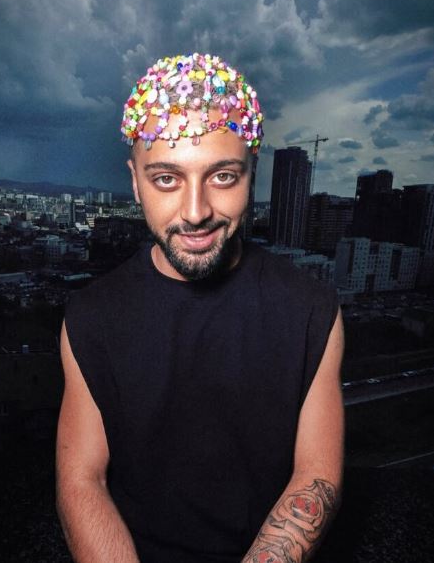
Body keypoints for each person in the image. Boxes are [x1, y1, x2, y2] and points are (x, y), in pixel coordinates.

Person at [56, 53, 345, 563]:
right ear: (135, 181)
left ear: (252, 175)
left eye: (223, 176)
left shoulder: (311, 311)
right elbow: (82, 479)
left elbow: (316, 477)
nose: (195, 213)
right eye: (167, 179)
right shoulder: (90, 318)